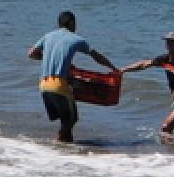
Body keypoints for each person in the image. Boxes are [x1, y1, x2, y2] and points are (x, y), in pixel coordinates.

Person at [28, 10, 117, 144]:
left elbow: (31, 54)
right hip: (59, 86)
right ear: (72, 23)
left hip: (44, 85)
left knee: (66, 120)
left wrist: (48, 59)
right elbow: (96, 56)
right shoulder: (77, 39)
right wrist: (113, 68)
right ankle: (58, 142)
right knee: (72, 119)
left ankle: (64, 148)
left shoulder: (48, 36)